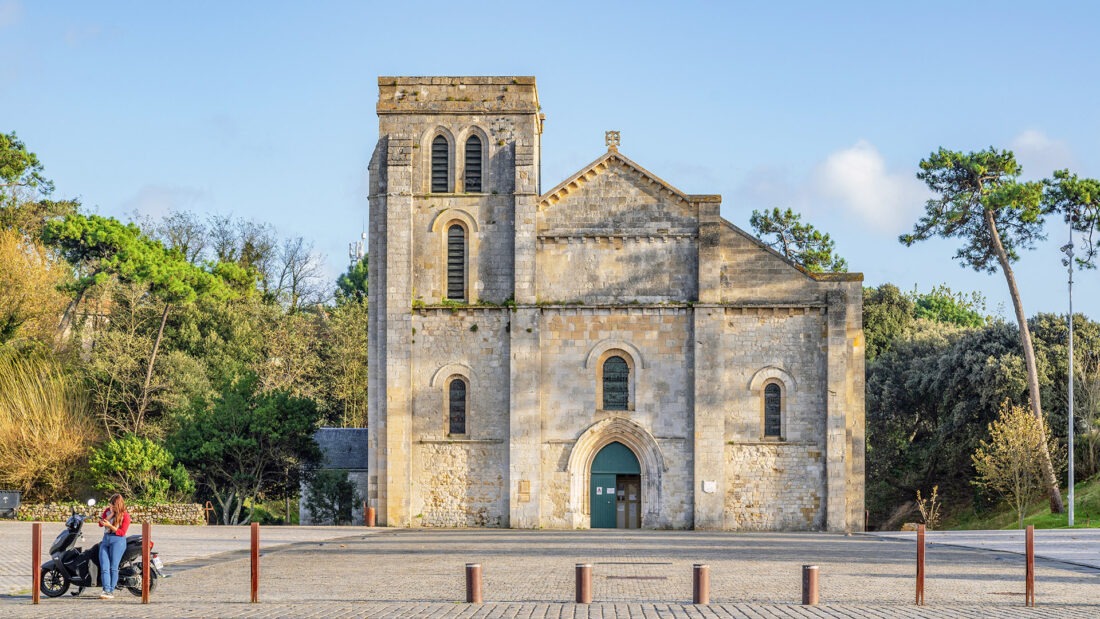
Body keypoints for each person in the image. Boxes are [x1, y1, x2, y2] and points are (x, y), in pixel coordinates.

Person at [97, 493, 130, 599]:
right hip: (106, 539)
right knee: (104, 566)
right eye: (110, 504)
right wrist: (110, 514)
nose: (111, 506)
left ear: (118, 505)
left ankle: (110, 590)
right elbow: (101, 524)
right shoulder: (108, 511)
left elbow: (122, 532)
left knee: (113, 567)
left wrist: (110, 525)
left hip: (118, 541)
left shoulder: (125, 515)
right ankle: (105, 589)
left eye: (113, 505)